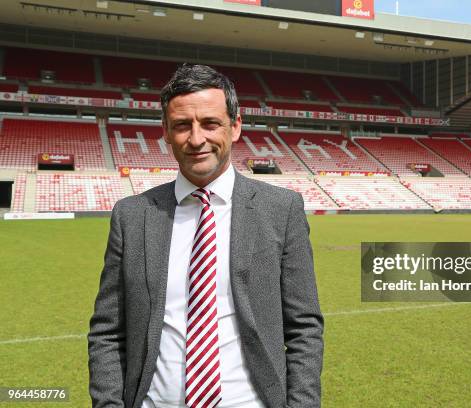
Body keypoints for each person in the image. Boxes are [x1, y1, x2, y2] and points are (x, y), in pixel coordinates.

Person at [88, 64, 324, 408]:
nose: (196, 139)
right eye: (182, 125)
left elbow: (304, 327)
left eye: (210, 123)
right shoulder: (132, 215)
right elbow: (108, 331)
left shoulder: (281, 209)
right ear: (166, 132)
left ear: (236, 126)